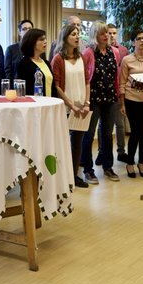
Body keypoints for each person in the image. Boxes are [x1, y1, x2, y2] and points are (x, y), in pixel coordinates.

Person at [80, 21, 121, 184]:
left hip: (110, 99)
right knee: (89, 136)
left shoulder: (115, 52)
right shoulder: (88, 53)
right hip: (93, 100)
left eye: (107, 33)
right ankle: (88, 170)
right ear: (95, 35)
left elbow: (116, 77)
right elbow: (84, 78)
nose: (106, 36)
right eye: (103, 33)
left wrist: (118, 96)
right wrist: (85, 101)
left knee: (107, 135)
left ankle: (108, 167)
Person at [51, 24, 91, 188]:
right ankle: (62, 177)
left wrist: (87, 103)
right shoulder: (58, 59)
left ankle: (74, 176)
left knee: (77, 144)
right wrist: (70, 105)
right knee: (62, 143)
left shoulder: (82, 57)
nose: (77, 37)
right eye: (73, 34)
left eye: (78, 34)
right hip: (66, 107)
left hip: (81, 107)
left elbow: (87, 82)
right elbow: (57, 86)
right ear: (65, 37)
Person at [118, 29, 143, 178]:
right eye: (138, 39)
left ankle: (141, 163)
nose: (142, 41)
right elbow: (122, 83)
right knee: (135, 132)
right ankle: (130, 163)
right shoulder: (127, 60)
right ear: (133, 42)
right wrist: (122, 104)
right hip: (132, 100)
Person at [106, 23, 129, 163]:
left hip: (119, 91)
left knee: (120, 124)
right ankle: (101, 152)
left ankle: (121, 152)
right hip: (106, 91)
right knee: (104, 125)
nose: (111, 35)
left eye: (114, 33)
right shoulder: (100, 50)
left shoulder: (123, 50)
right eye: (109, 33)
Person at [15, 28, 56, 97]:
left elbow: (53, 87)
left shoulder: (46, 63)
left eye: (45, 39)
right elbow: (21, 90)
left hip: (49, 103)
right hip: (34, 104)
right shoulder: (24, 63)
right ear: (32, 42)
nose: (45, 41)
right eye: (41, 39)